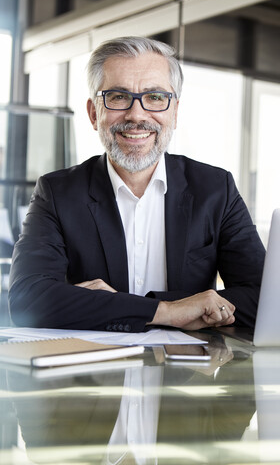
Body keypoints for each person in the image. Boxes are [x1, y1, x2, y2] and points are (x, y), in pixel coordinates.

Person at [8, 36, 265, 332]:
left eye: (155, 97)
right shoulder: (57, 193)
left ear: (175, 112)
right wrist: (166, 311)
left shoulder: (216, 189)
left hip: (187, 374)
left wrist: (116, 307)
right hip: (94, 375)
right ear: (94, 113)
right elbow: (27, 301)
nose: (137, 115)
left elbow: (262, 299)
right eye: (118, 97)